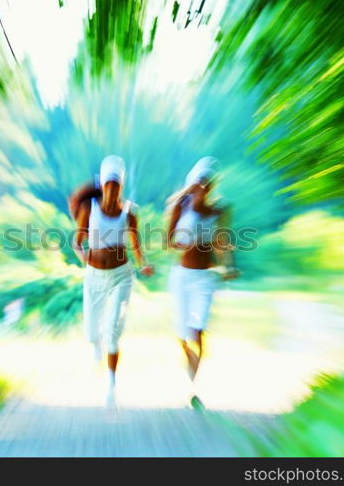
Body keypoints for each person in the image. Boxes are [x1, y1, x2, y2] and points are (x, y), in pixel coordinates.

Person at [69, 155, 154, 406]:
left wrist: (143, 264)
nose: (112, 189)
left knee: (114, 332)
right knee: (91, 333)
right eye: (109, 184)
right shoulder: (88, 209)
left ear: (121, 187)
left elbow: (136, 244)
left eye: (117, 185)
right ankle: (94, 342)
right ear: (103, 185)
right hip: (94, 276)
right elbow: (77, 240)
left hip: (121, 276)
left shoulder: (129, 212)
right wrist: (82, 253)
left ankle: (111, 384)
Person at [166, 157, 240, 408]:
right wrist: (188, 242)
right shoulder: (180, 206)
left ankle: (193, 386)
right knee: (182, 334)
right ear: (192, 184)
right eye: (199, 183)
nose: (203, 188)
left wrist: (229, 266)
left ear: (212, 186)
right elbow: (169, 243)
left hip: (205, 278)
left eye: (207, 184)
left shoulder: (220, 210)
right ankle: (189, 372)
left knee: (198, 330)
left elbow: (222, 242)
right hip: (182, 277)